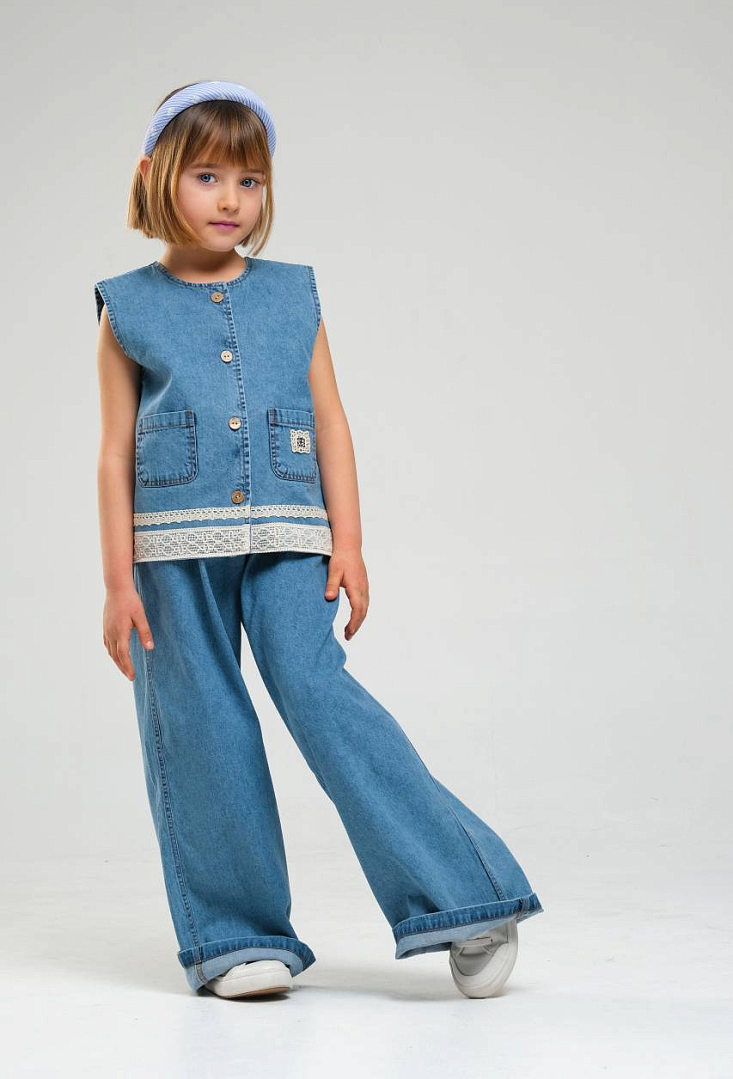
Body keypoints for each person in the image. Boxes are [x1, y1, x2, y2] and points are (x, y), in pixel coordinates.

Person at [94, 79, 544, 1001]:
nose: (230, 199)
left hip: (292, 536)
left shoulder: (293, 294)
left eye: (249, 180)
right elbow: (113, 452)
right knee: (199, 725)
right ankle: (235, 937)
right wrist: (117, 583)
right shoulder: (125, 306)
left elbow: (331, 420)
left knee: (321, 696)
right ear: (153, 176)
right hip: (169, 552)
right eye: (207, 176)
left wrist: (351, 541)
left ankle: (467, 897)